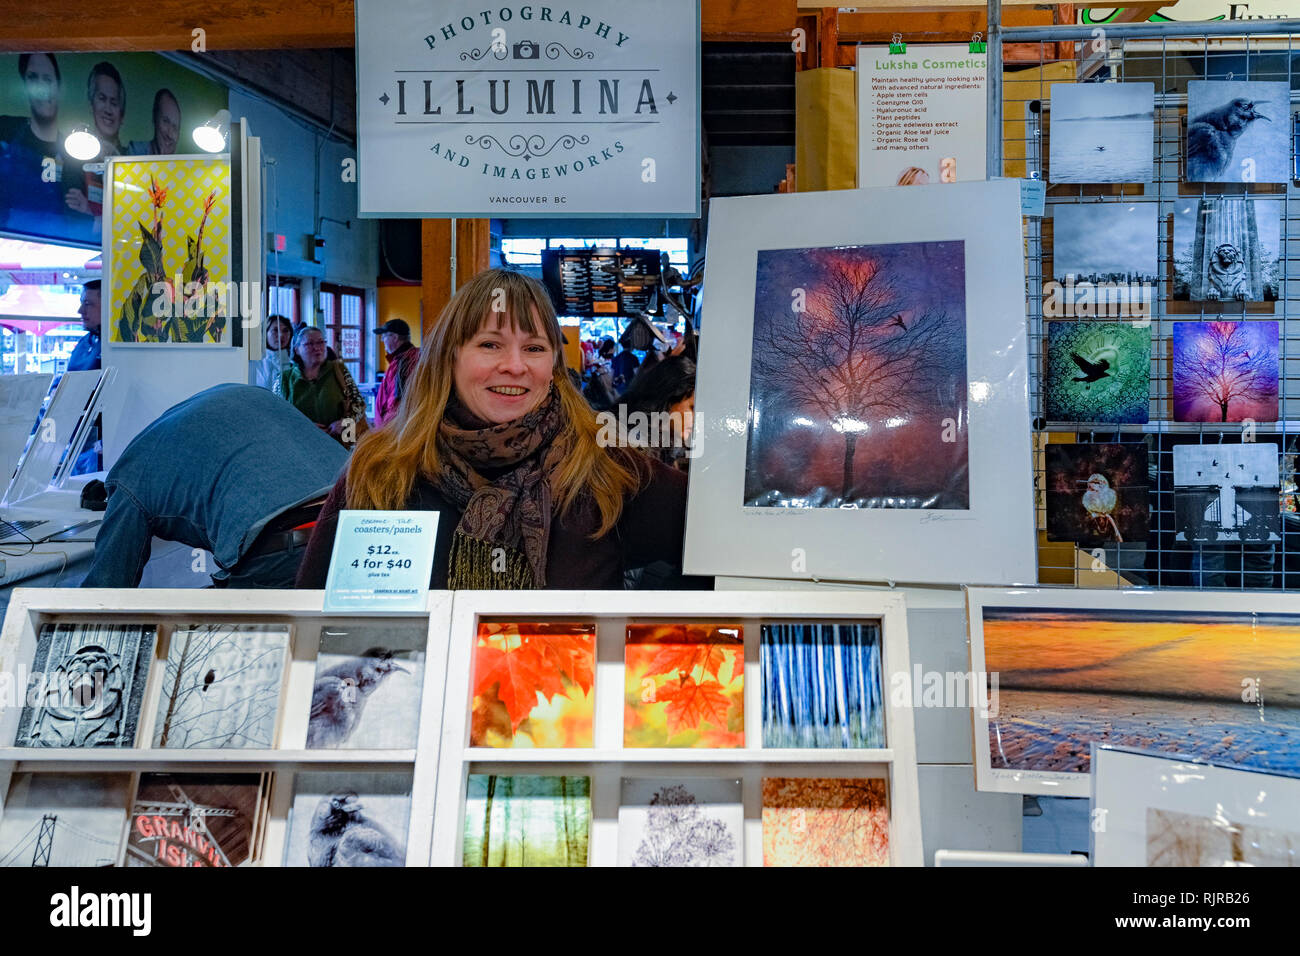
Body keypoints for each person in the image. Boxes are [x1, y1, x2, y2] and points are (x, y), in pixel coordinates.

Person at [294, 267, 697, 591]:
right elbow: (310, 628)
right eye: (490, 345)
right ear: (450, 357)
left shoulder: (605, 466)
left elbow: (724, 534)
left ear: (554, 366)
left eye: (535, 348)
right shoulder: (381, 471)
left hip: (565, 694)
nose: (516, 366)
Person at [80, 384, 349, 588]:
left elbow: (106, 591)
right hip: (358, 519)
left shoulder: (129, 476)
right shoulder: (237, 395)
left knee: (246, 654)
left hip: (284, 544)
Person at [0, 53, 68, 236]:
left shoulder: (74, 153)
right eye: (33, 78)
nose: (41, 88)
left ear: (58, 86)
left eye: (47, 79)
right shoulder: (5, 129)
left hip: (57, 249)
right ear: (24, 85)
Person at [64, 61, 124, 237]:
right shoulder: (75, 154)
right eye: (102, 99)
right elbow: (72, 214)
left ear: (122, 113)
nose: (108, 109)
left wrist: (90, 211)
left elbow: (131, 218)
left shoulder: (130, 163)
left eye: (114, 102)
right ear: (91, 105)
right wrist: (101, 217)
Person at [280, 325, 368, 444]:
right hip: (301, 446)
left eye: (321, 342)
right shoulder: (284, 378)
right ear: (297, 350)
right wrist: (303, 426)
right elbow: (278, 415)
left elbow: (359, 403)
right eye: (309, 344)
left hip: (339, 445)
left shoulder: (339, 370)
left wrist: (346, 422)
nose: (317, 348)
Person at [614, 353, 696, 470]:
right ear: (669, 399)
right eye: (692, 408)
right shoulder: (636, 450)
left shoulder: (664, 442)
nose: (696, 418)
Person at [372, 317, 420, 426]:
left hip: (393, 432)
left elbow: (397, 405)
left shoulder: (406, 362)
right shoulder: (402, 359)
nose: (382, 340)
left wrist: (385, 432)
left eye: (384, 336)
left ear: (395, 337)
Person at [126, 88, 180, 156]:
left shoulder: (181, 163)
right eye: (166, 121)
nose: (170, 134)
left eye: (175, 127)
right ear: (155, 119)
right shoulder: (136, 150)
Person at [66, 280, 101, 371]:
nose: (80, 310)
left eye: (88, 304)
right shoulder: (85, 341)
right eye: (82, 303)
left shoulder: (113, 347)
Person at [255, 314, 294, 393]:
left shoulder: (294, 364)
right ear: (265, 333)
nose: (281, 335)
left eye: (285, 330)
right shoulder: (255, 364)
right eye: (275, 330)